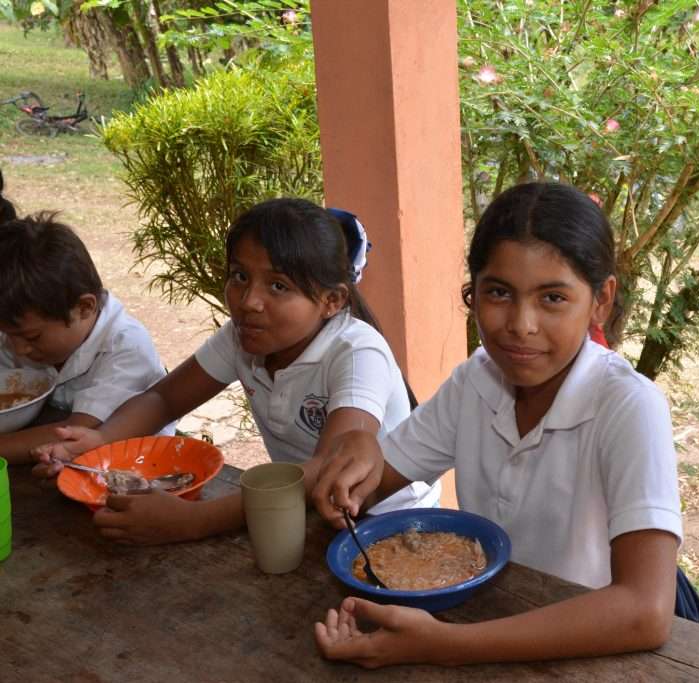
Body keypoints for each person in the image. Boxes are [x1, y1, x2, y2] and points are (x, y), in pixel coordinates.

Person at [311, 182, 699, 669]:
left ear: (601, 301)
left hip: (595, 649)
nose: (521, 324)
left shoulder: (628, 405)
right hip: (497, 618)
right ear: (473, 293)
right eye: (499, 293)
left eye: (553, 298)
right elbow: (378, 479)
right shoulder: (476, 381)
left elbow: (644, 611)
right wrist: (356, 466)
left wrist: (444, 646)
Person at [34, 198, 439, 544]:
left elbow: (328, 467)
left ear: (331, 301)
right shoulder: (242, 337)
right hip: (297, 512)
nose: (249, 302)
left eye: (278, 286)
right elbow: (163, 398)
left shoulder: (356, 352)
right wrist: (100, 440)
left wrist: (194, 521)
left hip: (392, 523)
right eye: (240, 277)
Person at [0, 212, 172, 465]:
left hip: (135, 465)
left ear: (84, 308)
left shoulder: (125, 348)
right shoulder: (22, 328)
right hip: (51, 456)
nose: (18, 349)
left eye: (32, 337)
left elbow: (73, 434)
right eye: (8, 335)